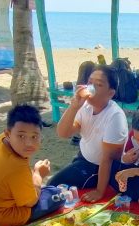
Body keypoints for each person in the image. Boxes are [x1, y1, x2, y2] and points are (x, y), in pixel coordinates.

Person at [53, 65, 128, 202]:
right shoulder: (85, 106)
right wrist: (74, 106)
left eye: (98, 84)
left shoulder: (115, 116)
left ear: (110, 93)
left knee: (55, 187)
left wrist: (99, 192)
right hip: (82, 158)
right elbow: (63, 133)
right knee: (53, 186)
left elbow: (108, 159)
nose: (91, 88)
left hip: (98, 167)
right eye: (90, 82)